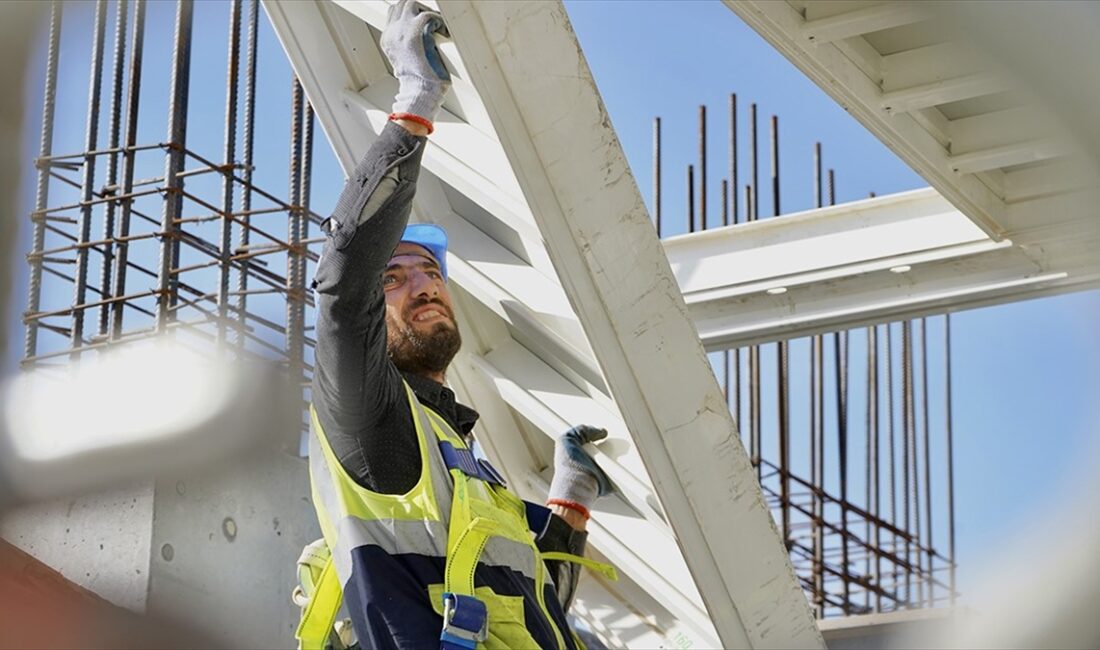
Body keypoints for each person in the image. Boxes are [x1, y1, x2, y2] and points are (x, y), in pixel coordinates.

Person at [297, 2, 614, 649]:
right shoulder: (375, 429)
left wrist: (571, 497)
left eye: (431, 272)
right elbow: (343, 288)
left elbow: (536, 604)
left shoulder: (461, 466)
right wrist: (415, 100)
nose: (425, 284)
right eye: (394, 277)